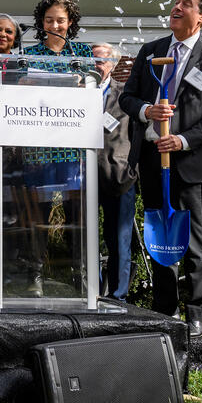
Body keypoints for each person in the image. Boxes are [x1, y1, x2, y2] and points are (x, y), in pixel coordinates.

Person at [120, 0, 202, 337]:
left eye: (187, 5)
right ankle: (164, 308)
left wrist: (183, 139)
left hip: (187, 163)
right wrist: (145, 110)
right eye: (176, 2)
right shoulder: (151, 51)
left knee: (195, 240)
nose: (177, 7)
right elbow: (128, 97)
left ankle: (198, 313)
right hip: (153, 159)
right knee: (160, 236)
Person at [22, 0, 93, 297]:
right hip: (40, 146)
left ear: (71, 23)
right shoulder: (28, 54)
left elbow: (96, 89)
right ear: (41, 23)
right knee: (38, 213)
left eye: (60, 20)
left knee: (77, 213)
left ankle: (82, 274)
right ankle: (35, 273)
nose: (54, 25)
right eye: (49, 20)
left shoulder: (83, 53)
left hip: (75, 148)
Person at [91, 42, 136, 300]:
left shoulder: (126, 94)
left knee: (119, 239)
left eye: (100, 60)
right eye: (92, 60)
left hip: (119, 176)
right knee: (88, 240)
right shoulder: (78, 92)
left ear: (113, 64)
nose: (95, 65)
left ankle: (118, 295)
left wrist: (133, 170)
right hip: (85, 176)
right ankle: (93, 293)